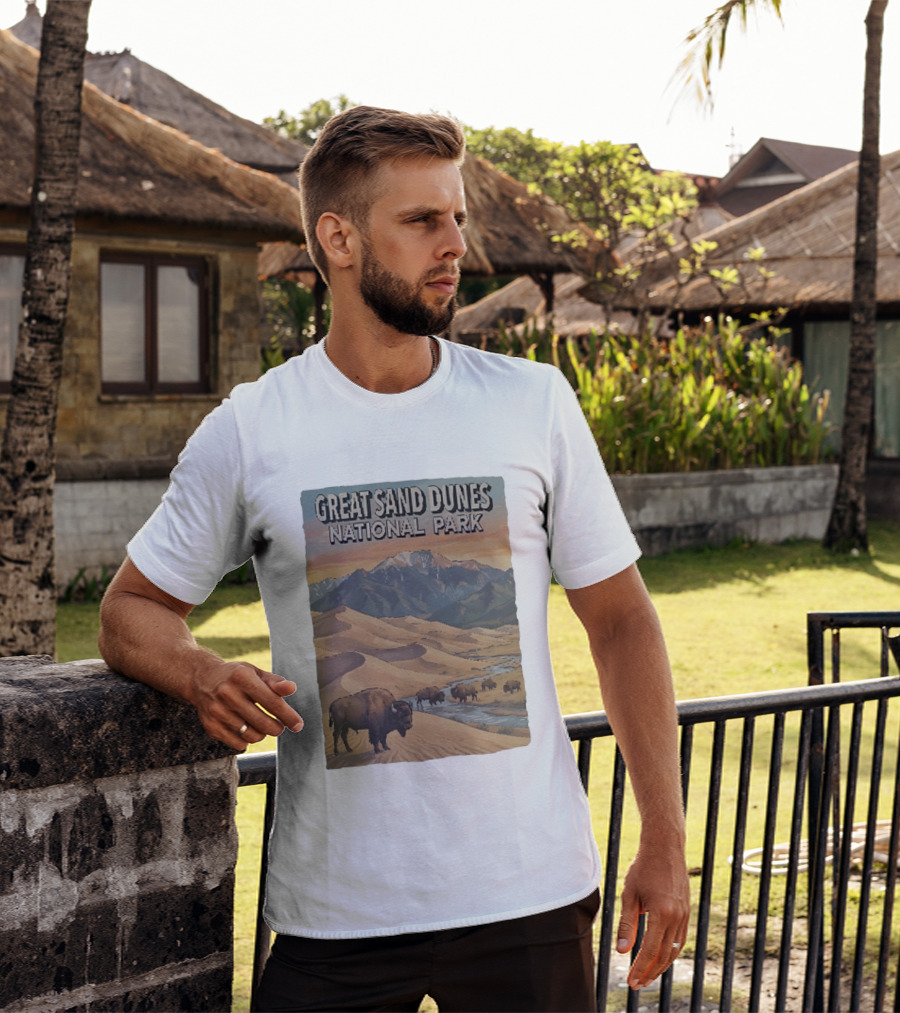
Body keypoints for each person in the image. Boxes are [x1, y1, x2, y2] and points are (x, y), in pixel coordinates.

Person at [99, 105, 690, 1013]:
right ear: (338, 237)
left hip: (530, 897)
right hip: (335, 915)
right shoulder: (255, 429)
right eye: (421, 220)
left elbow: (620, 620)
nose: (454, 242)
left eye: (455, 216)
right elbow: (128, 610)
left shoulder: (531, 404)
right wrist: (200, 671)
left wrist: (663, 835)